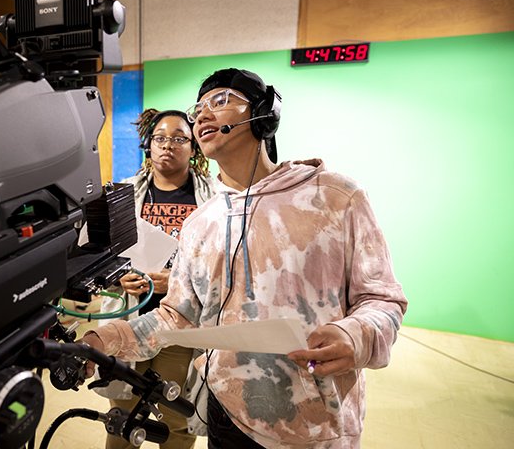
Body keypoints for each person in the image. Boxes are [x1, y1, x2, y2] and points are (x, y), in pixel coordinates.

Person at [82, 68, 408, 448]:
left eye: (220, 102)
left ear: (265, 114)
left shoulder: (335, 197)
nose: (202, 115)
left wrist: (354, 335)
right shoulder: (201, 223)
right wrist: (100, 339)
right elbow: (176, 316)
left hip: (315, 428)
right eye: (198, 107)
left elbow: (381, 299)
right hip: (227, 414)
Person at [96, 108, 215, 449]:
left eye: (179, 138)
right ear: (149, 145)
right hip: (129, 315)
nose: (168, 145)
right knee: (121, 416)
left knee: (176, 417)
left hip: (181, 323)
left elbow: (224, 263)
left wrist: (177, 281)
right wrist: (118, 279)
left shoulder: (215, 199)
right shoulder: (124, 194)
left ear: (194, 147)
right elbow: (101, 253)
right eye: (160, 138)